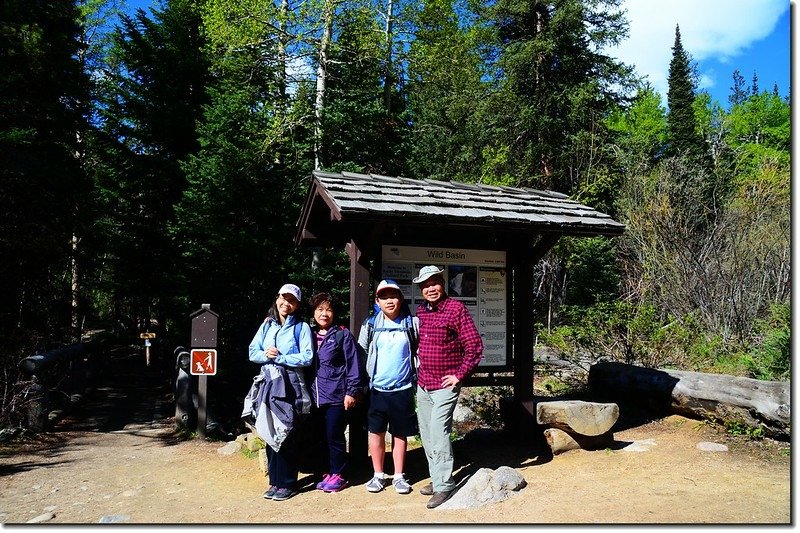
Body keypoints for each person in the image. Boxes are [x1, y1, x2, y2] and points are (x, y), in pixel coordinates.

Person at [412, 265, 483, 509]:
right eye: (425, 285)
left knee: (439, 433)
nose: (430, 288)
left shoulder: (456, 309)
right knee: (427, 434)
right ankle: (438, 475)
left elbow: (474, 346)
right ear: (421, 289)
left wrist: (459, 375)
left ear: (442, 283)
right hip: (424, 384)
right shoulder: (422, 311)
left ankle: (444, 486)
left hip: (445, 385)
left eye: (434, 283)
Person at [246, 283, 313, 502]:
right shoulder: (267, 325)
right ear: (277, 299)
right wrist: (267, 355)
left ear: (297, 304)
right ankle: (275, 481)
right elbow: (252, 352)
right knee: (269, 428)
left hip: (291, 385)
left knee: (288, 430)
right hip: (268, 384)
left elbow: (307, 356)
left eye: (291, 300)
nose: (286, 303)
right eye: (283, 298)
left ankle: (288, 483)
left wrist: (281, 358)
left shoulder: (301, 327)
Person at [357, 279, 419, 496]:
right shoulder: (371, 324)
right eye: (384, 297)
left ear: (401, 299)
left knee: (400, 434)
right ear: (377, 300)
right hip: (377, 389)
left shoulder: (411, 323)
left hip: (402, 388)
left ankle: (400, 476)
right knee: (376, 433)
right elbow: (361, 352)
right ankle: (378, 474)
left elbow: (418, 350)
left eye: (393, 296)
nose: (389, 301)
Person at [307, 292, 364, 493]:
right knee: (319, 436)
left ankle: (339, 474)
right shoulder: (308, 334)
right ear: (313, 312)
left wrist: (351, 391)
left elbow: (353, 366)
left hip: (336, 396)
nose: (324, 314)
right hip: (314, 397)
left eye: (328, 310)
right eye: (320, 309)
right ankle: (326, 472)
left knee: (334, 435)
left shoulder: (342, 334)